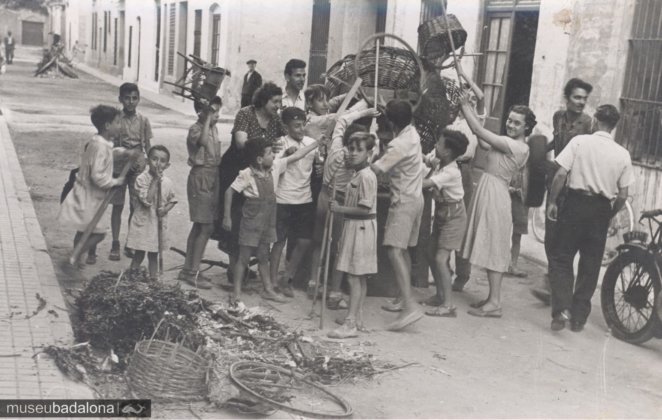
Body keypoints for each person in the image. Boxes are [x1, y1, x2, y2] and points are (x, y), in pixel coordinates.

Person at [547, 104, 634, 332]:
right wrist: (609, 213)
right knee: (590, 263)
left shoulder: (579, 143)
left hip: (576, 203)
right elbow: (623, 195)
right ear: (614, 126)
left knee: (561, 256)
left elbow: (560, 174)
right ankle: (578, 318)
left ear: (595, 121)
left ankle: (561, 310)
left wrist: (553, 202)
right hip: (602, 209)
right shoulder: (623, 154)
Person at [223, 135, 328, 306]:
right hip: (251, 222)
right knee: (243, 258)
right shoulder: (246, 174)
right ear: (259, 159)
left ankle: (268, 290)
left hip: (267, 221)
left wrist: (317, 143)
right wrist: (227, 217)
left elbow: (297, 155)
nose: (274, 156)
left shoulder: (275, 167)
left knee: (264, 257)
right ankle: (236, 293)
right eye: (270, 153)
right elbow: (229, 192)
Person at [459, 92, 534, 318]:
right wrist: (472, 109)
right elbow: (482, 141)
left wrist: (464, 106)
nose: (511, 125)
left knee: (494, 246)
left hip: (496, 193)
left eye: (517, 123)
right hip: (489, 190)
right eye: (509, 120)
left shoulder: (518, 147)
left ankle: (495, 302)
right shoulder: (507, 142)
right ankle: (492, 298)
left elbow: (479, 132)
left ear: (526, 127)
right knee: (492, 243)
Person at [532, 78, 594, 305]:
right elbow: (556, 144)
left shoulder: (589, 124)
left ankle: (558, 288)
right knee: (550, 237)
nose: (581, 102)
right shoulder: (558, 117)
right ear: (567, 98)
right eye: (577, 97)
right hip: (555, 185)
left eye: (584, 99)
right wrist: (537, 153)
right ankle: (552, 283)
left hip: (575, 189)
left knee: (565, 241)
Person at [216, 82, 286, 283]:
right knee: (236, 218)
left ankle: (243, 265)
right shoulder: (246, 114)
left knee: (252, 220)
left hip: (258, 172)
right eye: (275, 101)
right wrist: (268, 145)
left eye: (280, 101)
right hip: (236, 170)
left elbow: (285, 138)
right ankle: (234, 268)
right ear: (263, 100)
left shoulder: (275, 120)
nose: (278, 105)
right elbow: (240, 142)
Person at [371, 99, 425, 331]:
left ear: (391, 121)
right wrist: (389, 109)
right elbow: (401, 119)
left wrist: (371, 146)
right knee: (402, 250)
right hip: (416, 198)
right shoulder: (412, 133)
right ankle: (404, 298)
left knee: (393, 250)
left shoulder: (397, 145)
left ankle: (410, 306)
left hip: (403, 201)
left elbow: (377, 169)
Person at [58, 105, 126, 268]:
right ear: (107, 126)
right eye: (117, 122)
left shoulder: (99, 142)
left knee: (83, 230)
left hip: (87, 194)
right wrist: (115, 182)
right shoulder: (100, 147)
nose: (120, 125)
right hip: (89, 197)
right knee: (99, 233)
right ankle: (74, 257)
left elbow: (103, 156)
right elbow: (97, 175)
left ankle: (75, 259)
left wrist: (121, 152)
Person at [327, 133, 379, 338]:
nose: (354, 153)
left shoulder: (366, 175)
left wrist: (340, 208)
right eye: (351, 148)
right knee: (358, 276)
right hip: (356, 226)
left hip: (361, 228)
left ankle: (350, 324)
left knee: (354, 276)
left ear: (369, 153)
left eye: (359, 149)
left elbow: (365, 209)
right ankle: (356, 316)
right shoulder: (357, 173)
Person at [445, 61, 486, 293]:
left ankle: (462, 273)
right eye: (465, 99)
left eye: (469, 100)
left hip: (465, 170)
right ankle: (446, 270)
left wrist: (464, 74)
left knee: (463, 221)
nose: (468, 102)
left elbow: (480, 96)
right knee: (447, 217)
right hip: (449, 168)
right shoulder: (454, 122)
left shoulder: (476, 122)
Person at [270, 107, 318, 297]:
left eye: (302, 125)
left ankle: (287, 277)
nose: (300, 129)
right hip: (283, 199)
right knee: (279, 241)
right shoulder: (280, 143)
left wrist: (320, 166)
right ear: (286, 126)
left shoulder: (311, 142)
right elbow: (275, 166)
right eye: (296, 126)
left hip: (305, 199)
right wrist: (284, 155)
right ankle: (273, 281)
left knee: (304, 241)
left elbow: (317, 162)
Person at [421, 129, 469, 318]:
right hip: (444, 214)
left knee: (441, 258)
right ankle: (441, 295)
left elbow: (426, 184)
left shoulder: (451, 172)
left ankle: (448, 305)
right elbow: (428, 160)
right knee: (431, 253)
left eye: (439, 144)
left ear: (448, 151)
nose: (435, 146)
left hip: (454, 216)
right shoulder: (442, 162)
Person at [178, 96, 223, 289]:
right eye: (213, 112)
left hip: (213, 176)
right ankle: (193, 272)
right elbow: (203, 142)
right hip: (201, 177)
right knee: (205, 226)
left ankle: (188, 269)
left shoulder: (213, 127)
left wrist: (210, 119)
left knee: (200, 226)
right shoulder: (196, 129)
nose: (217, 116)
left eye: (218, 112)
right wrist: (207, 120)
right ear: (201, 113)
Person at [106, 82, 153, 263]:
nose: (131, 102)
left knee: (136, 206)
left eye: (134, 98)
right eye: (127, 98)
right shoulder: (116, 119)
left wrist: (150, 164)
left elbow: (148, 146)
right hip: (119, 165)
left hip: (138, 167)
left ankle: (130, 243)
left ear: (139, 99)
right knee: (117, 205)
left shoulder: (143, 120)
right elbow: (110, 142)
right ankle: (115, 243)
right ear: (120, 99)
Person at [126, 145, 177, 280]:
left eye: (162, 161)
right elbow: (147, 200)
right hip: (144, 223)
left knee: (154, 253)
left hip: (157, 224)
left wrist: (165, 209)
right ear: (148, 161)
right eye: (154, 159)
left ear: (167, 165)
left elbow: (173, 199)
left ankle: (154, 279)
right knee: (140, 251)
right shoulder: (141, 179)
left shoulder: (168, 182)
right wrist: (155, 180)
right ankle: (133, 274)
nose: (158, 163)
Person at [507, 166, 529, 277]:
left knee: (517, 235)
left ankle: (513, 265)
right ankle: (498, 261)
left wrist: (525, 194)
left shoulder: (530, 169)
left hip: (521, 204)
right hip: (507, 200)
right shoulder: (512, 163)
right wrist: (510, 188)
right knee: (502, 232)